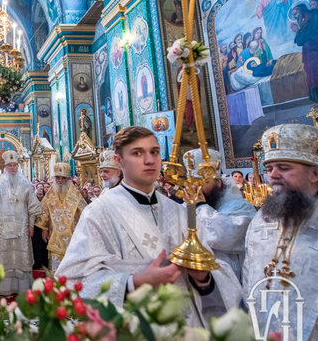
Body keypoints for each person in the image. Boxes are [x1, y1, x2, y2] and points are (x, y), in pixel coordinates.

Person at [56, 126, 241, 328]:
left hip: (187, 328)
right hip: (133, 328)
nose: (149, 160)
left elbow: (218, 270)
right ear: (119, 162)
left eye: (154, 152)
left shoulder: (179, 211)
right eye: (137, 153)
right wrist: (134, 282)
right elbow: (72, 282)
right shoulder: (99, 213)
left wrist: (203, 277)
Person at [242, 124, 318, 340]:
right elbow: (248, 277)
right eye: (269, 169)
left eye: (283, 168)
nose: (273, 175)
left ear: (314, 173)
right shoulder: (261, 219)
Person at [186, 148, 255, 280]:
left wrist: (201, 206)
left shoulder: (240, 206)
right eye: (193, 182)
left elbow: (226, 237)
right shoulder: (190, 206)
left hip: (232, 277)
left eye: (203, 182)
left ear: (218, 183)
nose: (197, 188)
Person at [0, 150, 42, 295]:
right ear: (5, 167)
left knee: (21, 257)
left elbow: (31, 206)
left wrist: (31, 225)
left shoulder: (25, 183)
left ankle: (22, 287)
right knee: (5, 257)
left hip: (22, 227)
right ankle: (5, 287)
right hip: (3, 226)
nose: (13, 168)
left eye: (15, 165)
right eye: (10, 165)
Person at [35, 162, 88, 272]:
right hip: (55, 234)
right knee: (56, 264)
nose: (60, 181)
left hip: (72, 234)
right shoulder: (51, 193)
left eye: (63, 178)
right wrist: (44, 229)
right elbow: (44, 212)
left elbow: (84, 213)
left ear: (68, 179)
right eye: (57, 178)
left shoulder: (75, 193)